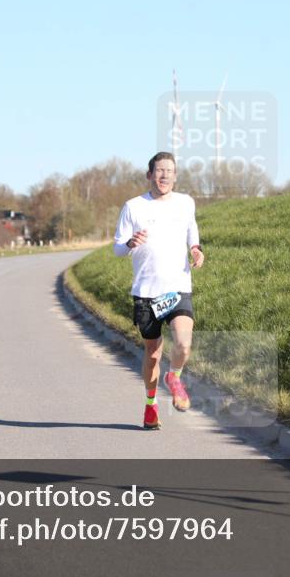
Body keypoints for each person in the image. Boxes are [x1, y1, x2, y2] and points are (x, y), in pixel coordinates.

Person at [113, 151, 204, 429]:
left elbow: (191, 230)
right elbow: (117, 248)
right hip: (146, 292)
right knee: (152, 352)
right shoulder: (133, 207)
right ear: (149, 174)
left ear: (175, 176)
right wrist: (130, 243)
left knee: (183, 343)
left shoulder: (185, 203)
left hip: (177, 287)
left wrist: (196, 249)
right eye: (159, 170)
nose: (164, 176)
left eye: (169, 171)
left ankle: (173, 376)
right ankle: (151, 406)